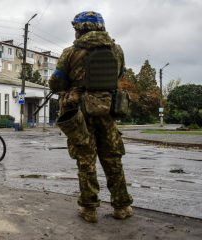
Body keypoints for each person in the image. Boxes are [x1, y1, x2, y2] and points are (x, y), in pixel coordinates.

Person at [49, 11, 133, 223]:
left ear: (79, 29)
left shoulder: (70, 52)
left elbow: (56, 83)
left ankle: (89, 209)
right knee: (113, 159)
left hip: (79, 113)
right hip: (107, 111)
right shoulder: (117, 51)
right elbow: (119, 75)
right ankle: (122, 207)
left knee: (86, 160)